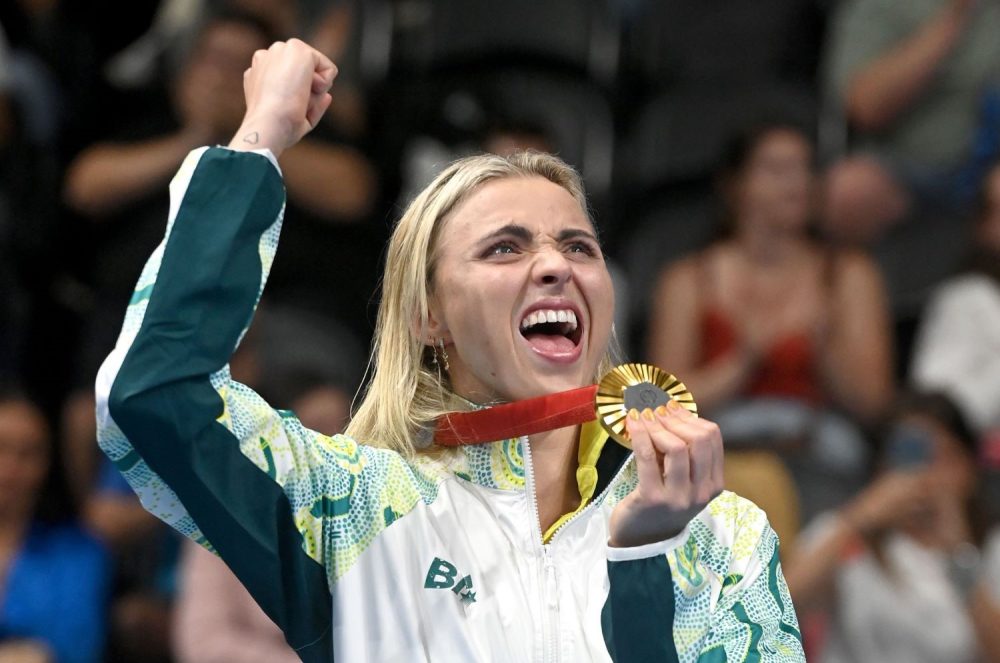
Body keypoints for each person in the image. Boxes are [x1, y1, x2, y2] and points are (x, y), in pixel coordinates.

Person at [95, 39, 803, 661]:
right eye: (505, 247)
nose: (556, 266)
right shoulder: (349, 509)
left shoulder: (719, 538)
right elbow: (152, 393)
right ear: (428, 317)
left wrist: (646, 557)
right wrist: (256, 141)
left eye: (578, 245)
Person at [647, 121, 894, 520]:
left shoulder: (847, 274)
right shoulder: (688, 279)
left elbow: (874, 404)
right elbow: (662, 408)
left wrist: (826, 347)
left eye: (805, 170)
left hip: (816, 449)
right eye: (777, 170)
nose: (796, 183)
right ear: (734, 185)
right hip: (720, 451)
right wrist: (744, 361)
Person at [783, 391, 1000, 663]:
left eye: (943, 456)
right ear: (882, 467)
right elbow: (778, 605)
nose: (926, 473)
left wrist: (959, 551)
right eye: (911, 454)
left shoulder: (992, 549)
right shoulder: (847, 536)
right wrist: (860, 518)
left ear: (969, 469)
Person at [822, 0, 1000, 243]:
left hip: (989, 166)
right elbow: (865, 107)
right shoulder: (887, 6)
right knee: (849, 191)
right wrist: (952, 21)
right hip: (907, 167)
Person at [0, 391, 111, 663]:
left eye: (27, 454)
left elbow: (75, 648)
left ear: (47, 466)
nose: (10, 468)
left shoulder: (79, 552)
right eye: (0, 448)